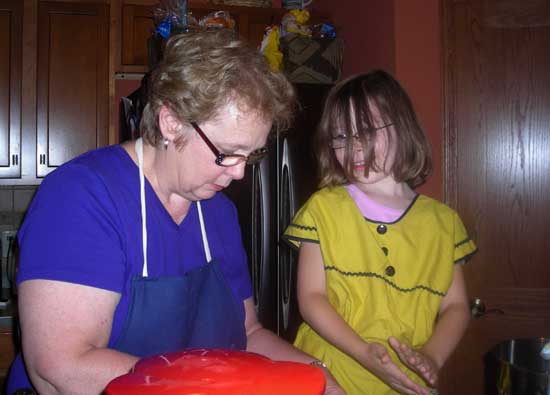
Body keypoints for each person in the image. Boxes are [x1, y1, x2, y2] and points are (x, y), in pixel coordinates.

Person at [7, 28, 344, 395]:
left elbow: (247, 334)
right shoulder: (81, 198)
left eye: (252, 155)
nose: (239, 172)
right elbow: (60, 368)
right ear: (171, 123)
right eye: (227, 152)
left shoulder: (219, 214)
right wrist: (207, 384)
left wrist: (316, 375)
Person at [282, 70, 477, 395]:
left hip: (402, 383)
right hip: (330, 374)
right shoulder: (323, 208)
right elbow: (311, 299)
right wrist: (363, 352)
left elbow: (456, 306)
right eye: (341, 136)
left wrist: (432, 355)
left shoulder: (443, 222)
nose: (354, 147)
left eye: (367, 131)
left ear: (403, 129)